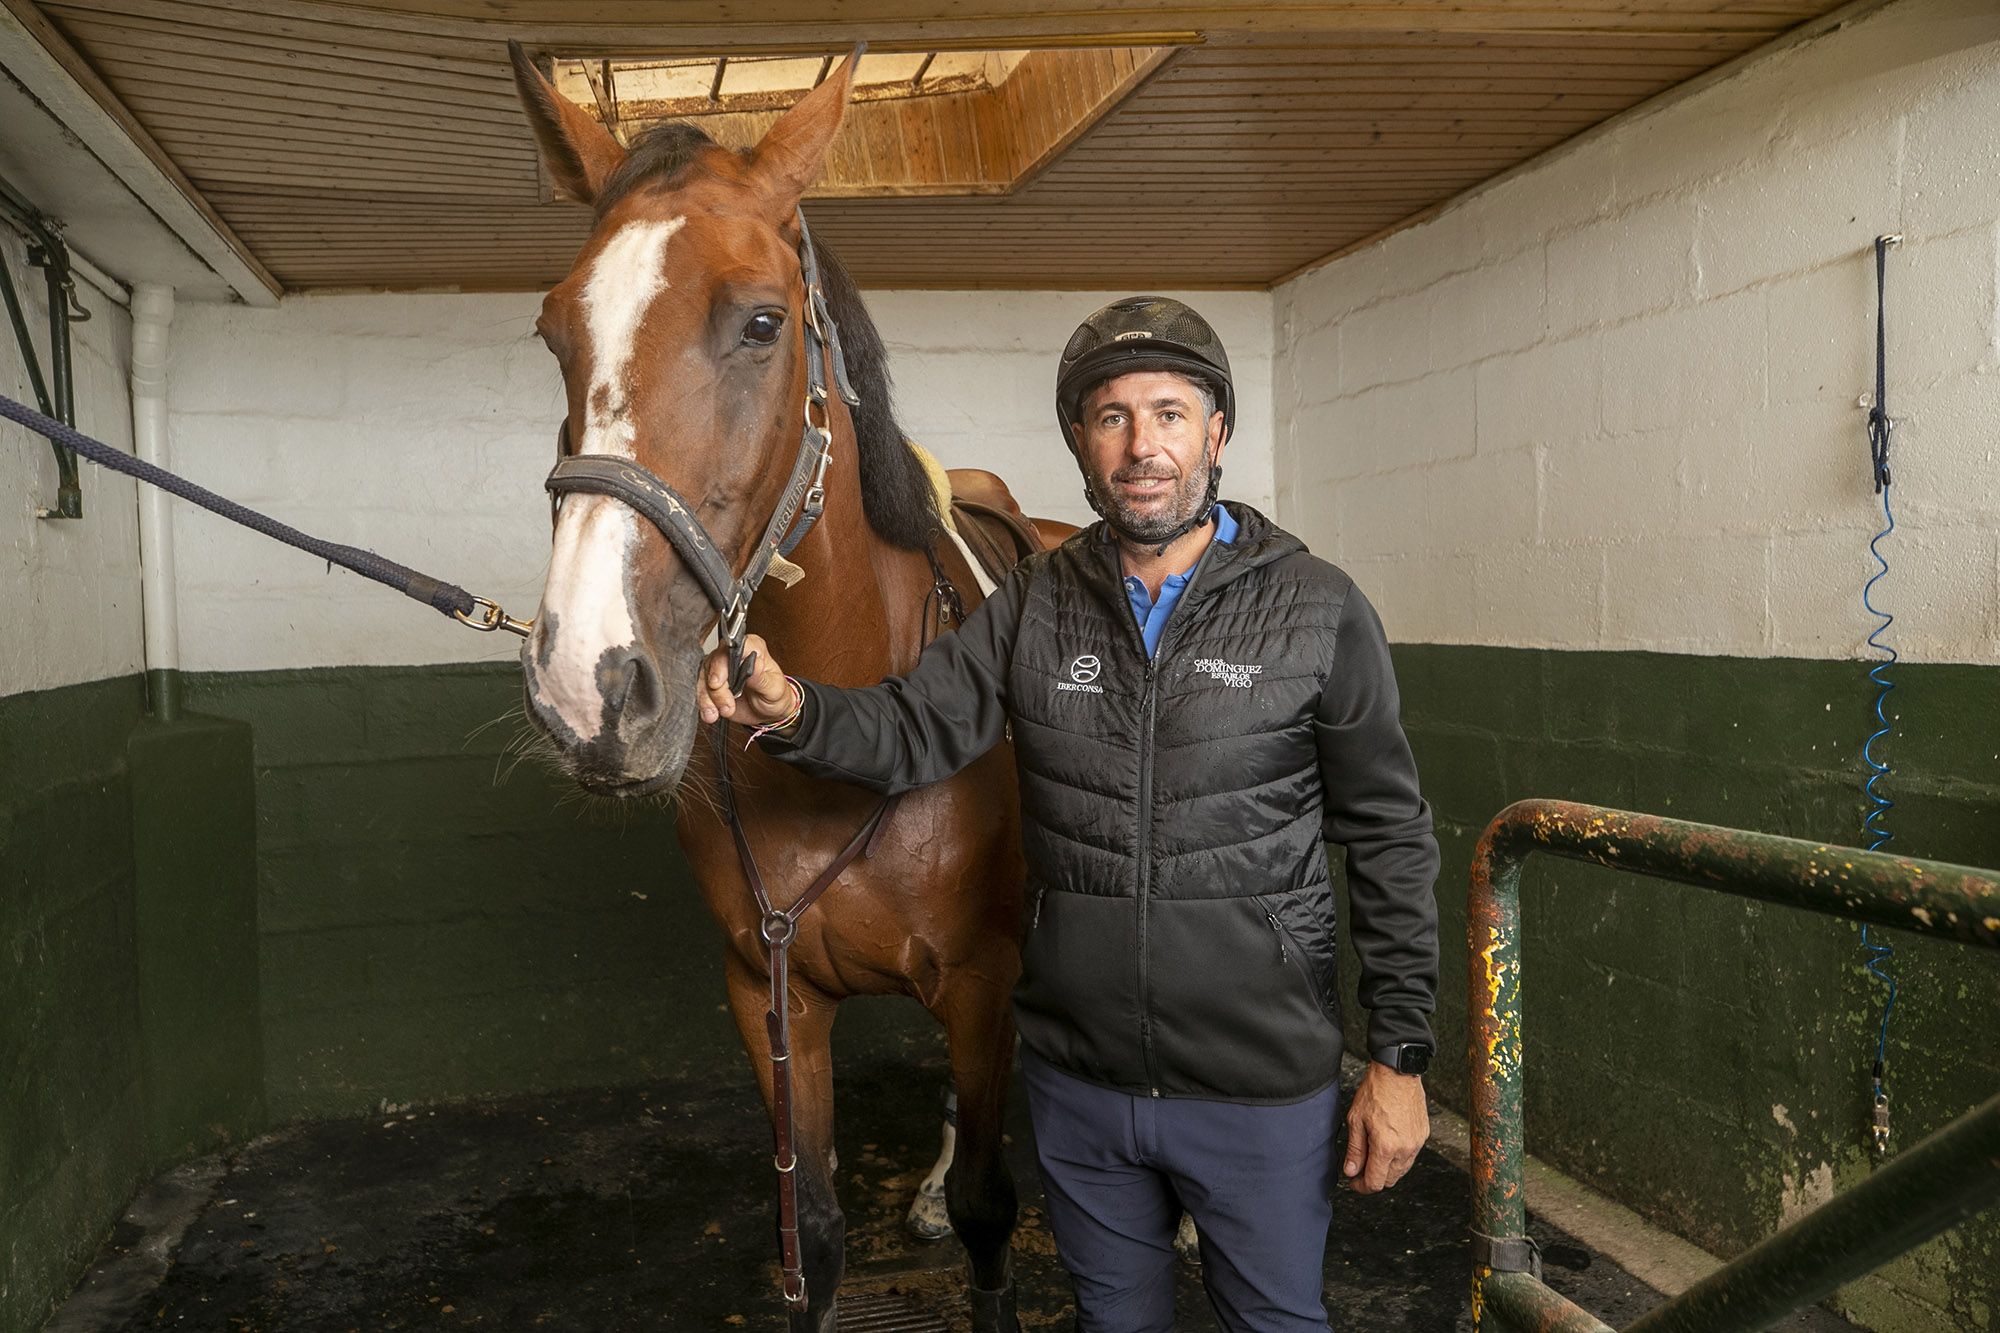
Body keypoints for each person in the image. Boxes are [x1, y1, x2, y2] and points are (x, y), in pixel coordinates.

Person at [698, 296, 1440, 1333]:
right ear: (1081, 445)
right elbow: (912, 728)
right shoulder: (1035, 603)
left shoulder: (1315, 610)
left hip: (1256, 1088)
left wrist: (1400, 1060)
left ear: (1215, 433)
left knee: (1273, 1323)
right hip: (1082, 1088)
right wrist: (790, 709)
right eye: (1111, 418)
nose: (1143, 446)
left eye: (1170, 414)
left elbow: (1390, 838)